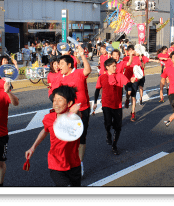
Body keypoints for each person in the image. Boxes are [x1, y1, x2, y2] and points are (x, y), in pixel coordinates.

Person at [25, 86, 82, 186]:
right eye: (54, 100)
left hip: (73, 163)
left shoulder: (75, 118)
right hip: (56, 163)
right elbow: (45, 130)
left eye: (60, 100)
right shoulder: (49, 118)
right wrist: (32, 148)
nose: (55, 103)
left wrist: (73, 113)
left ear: (69, 103)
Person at [58, 45, 91, 177]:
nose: (59, 66)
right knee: (70, 139)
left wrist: (82, 55)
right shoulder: (61, 79)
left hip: (83, 110)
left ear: (70, 65)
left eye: (62, 64)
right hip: (69, 113)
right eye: (59, 63)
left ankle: (79, 163)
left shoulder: (78, 72)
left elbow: (88, 70)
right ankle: (70, 162)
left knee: (81, 138)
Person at [93, 58, 130, 155]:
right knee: (108, 123)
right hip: (106, 104)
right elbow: (97, 90)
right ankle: (108, 133)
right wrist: (95, 102)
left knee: (118, 127)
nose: (115, 67)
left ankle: (114, 145)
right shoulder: (102, 77)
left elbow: (128, 84)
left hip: (117, 105)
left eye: (115, 65)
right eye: (113, 66)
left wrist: (129, 87)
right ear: (107, 67)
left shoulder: (120, 76)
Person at [122, 45, 140, 122]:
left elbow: (139, 72)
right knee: (128, 93)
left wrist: (136, 78)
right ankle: (127, 99)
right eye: (130, 51)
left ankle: (133, 113)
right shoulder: (125, 58)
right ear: (127, 51)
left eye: (133, 50)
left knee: (133, 96)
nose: (132, 52)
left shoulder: (137, 59)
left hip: (134, 80)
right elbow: (122, 68)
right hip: (127, 79)